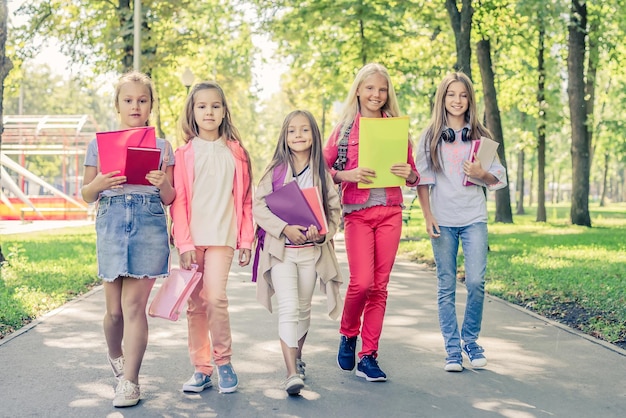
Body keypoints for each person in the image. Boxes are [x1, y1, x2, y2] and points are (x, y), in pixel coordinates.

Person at [81, 71, 175, 407]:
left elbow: (169, 197)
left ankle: (131, 383)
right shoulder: (98, 144)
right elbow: (86, 194)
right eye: (128, 100)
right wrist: (100, 184)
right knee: (114, 313)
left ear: (151, 105)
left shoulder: (164, 146)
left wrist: (162, 182)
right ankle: (115, 354)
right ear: (118, 104)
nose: (136, 105)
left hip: (148, 223)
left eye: (142, 100)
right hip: (112, 220)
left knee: (133, 307)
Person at [323, 63, 420, 382]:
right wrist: (345, 174)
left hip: (390, 211)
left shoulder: (396, 127)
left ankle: (369, 356)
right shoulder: (345, 128)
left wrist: (410, 174)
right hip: (358, 213)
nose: (376, 94)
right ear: (358, 91)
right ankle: (348, 333)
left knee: (379, 287)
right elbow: (322, 169)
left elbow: (413, 173)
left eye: (382, 89)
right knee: (361, 282)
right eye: (370, 88)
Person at [415, 72, 507, 372]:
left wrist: (482, 175)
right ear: (442, 98)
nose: (457, 100)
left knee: (477, 282)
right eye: (451, 94)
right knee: (446, 285)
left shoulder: (481, 135)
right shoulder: (430, 136)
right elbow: (423, 180)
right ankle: (452, 350)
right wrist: (428, 216)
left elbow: (498, 177)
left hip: (474, 218)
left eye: (463, 95)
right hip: (443, 219)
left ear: (470, 100)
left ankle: (470, 340)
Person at [170, 80, 253, 394]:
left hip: (223, 238)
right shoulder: (184, 154)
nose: (209, 111)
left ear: (223, 112)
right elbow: (179, 202)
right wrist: (185, 244)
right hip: (193, 242)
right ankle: (201, 369)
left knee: (215, 298)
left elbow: (244, 199)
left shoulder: (237, 153)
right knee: (196, 307)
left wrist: (246, 240)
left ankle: (224, 361)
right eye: (202, 106)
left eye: (215, 106)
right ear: (192, 111)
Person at [254, 110, 343, 395]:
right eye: (292, 131)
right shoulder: (275, 170)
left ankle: (298, 358)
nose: (298, 136)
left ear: (314, 136)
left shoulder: (321, 173)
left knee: (303, 309)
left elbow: (334, 212)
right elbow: (259, 206)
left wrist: (324, 233)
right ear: (285, 135)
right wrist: (283, 228)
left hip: (311, 253)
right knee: (289, 307)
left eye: (305, 130)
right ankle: (291, 372)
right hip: (282, 251)